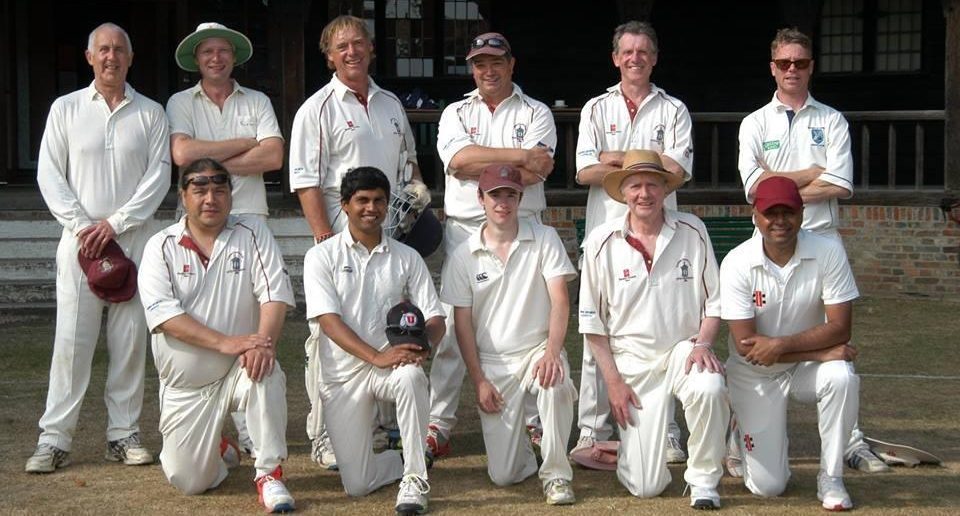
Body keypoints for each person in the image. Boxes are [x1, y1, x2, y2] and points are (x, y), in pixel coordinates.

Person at [736, 27, 888, 475]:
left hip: (822, 245)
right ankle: (739, 434)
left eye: (800, 63)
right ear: (772, 67)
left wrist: (779, 181)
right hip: (768, 244)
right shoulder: (754, 123)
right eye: (784, 63)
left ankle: (850, 443)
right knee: (756, 345)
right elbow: (754, 192)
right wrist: (808, 173)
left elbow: (841, 184)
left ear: (811, 67)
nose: (792, 71)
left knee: (835, 348)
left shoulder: (832, 120)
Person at [289, 14, 431, 470]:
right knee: (327, 337)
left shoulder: (391, 104)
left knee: (383, 327)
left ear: (371, 48)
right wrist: (324, 240)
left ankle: (375, 426)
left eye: (359, 43)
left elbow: (409, 162)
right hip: (338, 234)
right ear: (329, 56)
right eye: (341, 46)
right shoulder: (317, 108)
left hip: (387, 236)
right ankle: (324, 433)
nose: (352, 51)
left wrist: (417, 189)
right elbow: (306, 181)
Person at [29, 22, 169, 473]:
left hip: (134, 244)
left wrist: (116, 223)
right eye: (103, 50)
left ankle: (123, 434)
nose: (111, 57)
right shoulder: (65, 109)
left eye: (119, 50)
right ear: (89, 57)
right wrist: (84, 226)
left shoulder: (151, 113)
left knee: (129, 343)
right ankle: (54, 439)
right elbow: (49, 174)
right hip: (79, 246)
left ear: (130, 58)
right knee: (71, 343)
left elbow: (158, 178)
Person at [138, 159, 295, 512]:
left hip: (241, 367)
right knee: (189, 482)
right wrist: (228, 342)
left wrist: (262, 344)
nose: (211, 198)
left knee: (265, 372)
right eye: (200, 190)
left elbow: (274, 296)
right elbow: (165, 318)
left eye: (219, 190)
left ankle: (269, 474)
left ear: (230, 195)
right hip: (186, 386)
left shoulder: (252, 232)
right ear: (183, 196)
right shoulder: (159, 246)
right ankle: (221, 448)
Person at [429, 31, 557, 457]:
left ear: (511, 64)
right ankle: (439, 423)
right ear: (472, 68)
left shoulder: (537, 111)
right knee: (453, 326)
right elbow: (457, 162)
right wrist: (518, 156)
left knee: (530, 324)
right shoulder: (454, 112)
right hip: (466, 228)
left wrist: (487, 161)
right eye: (479, 63)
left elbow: (539, 171)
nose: (488, 70)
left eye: (495, 62)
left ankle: (536, 422)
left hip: (523, 226)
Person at [572, 20, 694, 463]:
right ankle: (590, 428)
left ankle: (669, 431)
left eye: (643, 51)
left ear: (655, 57)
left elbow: (676, 173)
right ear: (615, 58)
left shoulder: (674, 110)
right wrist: (645, 163)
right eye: (627, 51)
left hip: (660, 235)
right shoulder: (594, 108)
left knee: (666, 330)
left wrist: (614, 159)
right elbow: (585, 171)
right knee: (595, 328)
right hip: (606, 235)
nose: (635, 58)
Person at [578, 149, 728, 509]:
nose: (644, 194)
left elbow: (714, 303)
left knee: (708, 384)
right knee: (645, 486)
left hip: (682, 350)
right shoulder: (600, 241)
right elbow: (592, 323)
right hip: (632, 365)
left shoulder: (693, 229)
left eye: (652, 185)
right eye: (635, 186)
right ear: (623, 192)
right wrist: (613, 382)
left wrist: (703, 345)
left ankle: (704, 479)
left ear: (665, 189)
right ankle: (630, 452)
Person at [166, 21, 285, 456]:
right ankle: (212, 428)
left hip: (250, 219)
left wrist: (209, 162)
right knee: (203, 323)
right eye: (206, 52)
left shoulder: (257, 100)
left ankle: (251, 428)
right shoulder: (180, 102)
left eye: (223, 51)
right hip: (197, 221)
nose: (215, 58)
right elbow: (181, 156)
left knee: (251, 324)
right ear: (196, 59)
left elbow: (273, 155)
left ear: (234, 57)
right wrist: (240, 146)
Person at [302, 167, 444, 514]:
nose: (371, 208)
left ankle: (414, 477)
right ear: (345, 205)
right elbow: (329, 322)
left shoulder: (406, 257)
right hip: (343, 376)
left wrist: (422, 347)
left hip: (390, 367)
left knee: (411, 377)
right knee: (358, 484)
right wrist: (375, 357)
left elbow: (436, 317)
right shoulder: (320, 256)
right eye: (362, 200)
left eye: (378, 200)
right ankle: (400, 459)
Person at [720, 176, 861, 511]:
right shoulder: (737, 262)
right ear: (755, 215)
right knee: (769, 488)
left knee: (841, 375)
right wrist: (820, 350)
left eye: (788, 211)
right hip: (754, 373)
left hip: (805, 368)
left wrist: (784, 346)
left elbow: (841, 328)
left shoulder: (828, 251)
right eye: (771, 212)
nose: (780, 220)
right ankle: (739, 430)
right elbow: (747, 347)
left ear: (802, 213)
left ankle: (831, 476)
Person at [442, 164, 578, 505]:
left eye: (511, 195)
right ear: (480, 198)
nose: (503, 202)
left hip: (536, 350)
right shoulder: (462, 255)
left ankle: (557, 474)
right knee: (503, 475)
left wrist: (552, 352)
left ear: (520, 198)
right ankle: (526, 455)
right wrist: (479, 380)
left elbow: (561, 300)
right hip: (493, 362)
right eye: (495, 195)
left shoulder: (544, 237)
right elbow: (462, 325)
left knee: (555, 382)